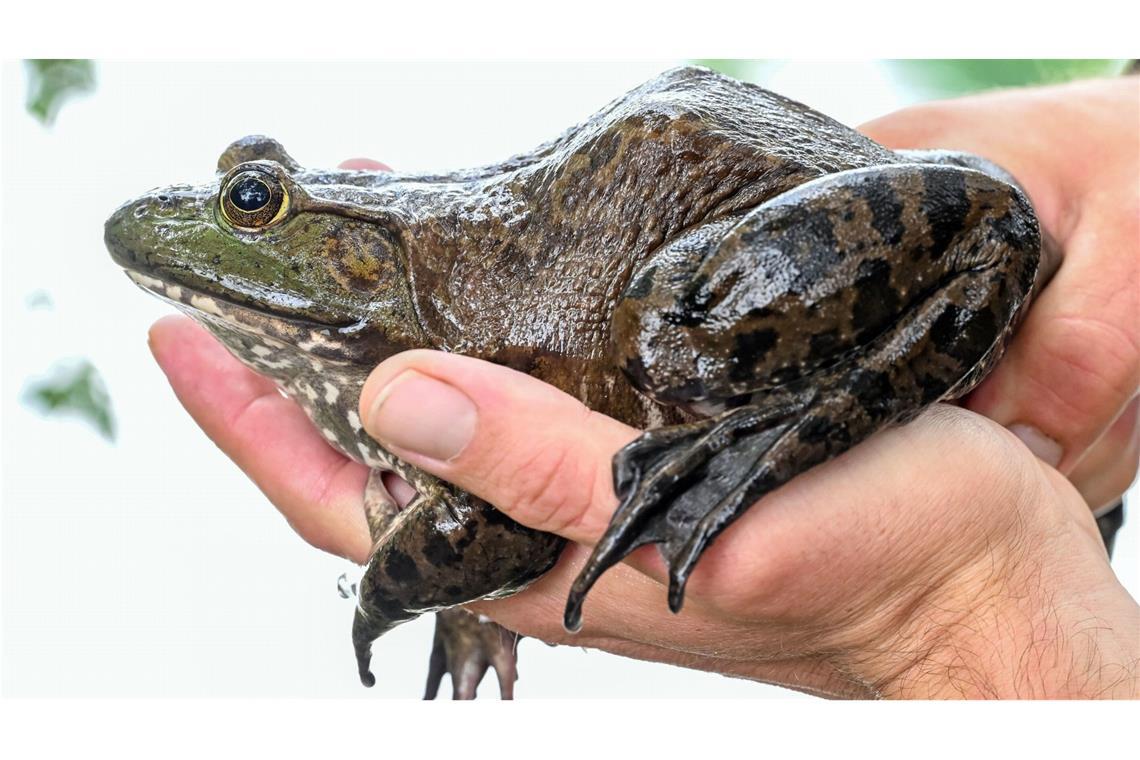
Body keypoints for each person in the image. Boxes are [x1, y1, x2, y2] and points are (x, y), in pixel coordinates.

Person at [148, 75, 1139, 698]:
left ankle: (796, 419)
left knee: (669, 340)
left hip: (721, 207)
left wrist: (390, 589)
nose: (229, 215)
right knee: (666, 331)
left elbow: (515, 528)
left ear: (348, 246)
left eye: (254, 203)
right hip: (714, 172)